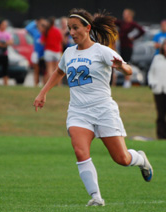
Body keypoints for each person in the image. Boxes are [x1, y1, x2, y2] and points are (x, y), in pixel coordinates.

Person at [34, 8, 153, 207]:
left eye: (75, 28)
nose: (71, 32)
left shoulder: (102, 51)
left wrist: (122, 67)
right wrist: (42, 93)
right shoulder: (69, 52)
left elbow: (130, 70)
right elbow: (58, 72)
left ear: (88, 28)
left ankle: (140, 159)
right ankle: (96, 197)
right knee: (80, 151)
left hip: (104, 110)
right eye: (69, 28)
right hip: (78, 112)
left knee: (122, 158)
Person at [115, 8, 145, 88]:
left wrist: (134, 38)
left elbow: (142, 31)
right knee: (122, 63)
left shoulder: (132, 24)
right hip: (121, 46)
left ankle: (127, 81)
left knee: (127, 63)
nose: (123, 15)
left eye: (125, 14)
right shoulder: (122, 23)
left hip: (128, 47)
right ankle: (123, 80)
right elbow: (113, 22)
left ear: (129, 15)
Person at [148, 39, 166, 139]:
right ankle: (161, 136)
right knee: (160, 114)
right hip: (159, 90)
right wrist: (152, 83)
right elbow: (151, 73)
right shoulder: (157, 58)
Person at [26, 18, 48, 86]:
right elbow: (28, 28)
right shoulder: (35, 32)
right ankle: (36, 84)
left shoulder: (46, 33)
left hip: (44, 54)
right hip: (36, 53)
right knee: (36, 70)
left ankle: (45, 84)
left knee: (45, 71)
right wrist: (35, 21)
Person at [41, 17, 63, 82]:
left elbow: (42, 42)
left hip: (48, 51)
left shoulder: (46, 31)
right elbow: (60, 41)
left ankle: (50, 83)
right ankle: (58, 84)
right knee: (57, 69)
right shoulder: (57, 31)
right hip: (57, 51)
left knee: (49, 69)